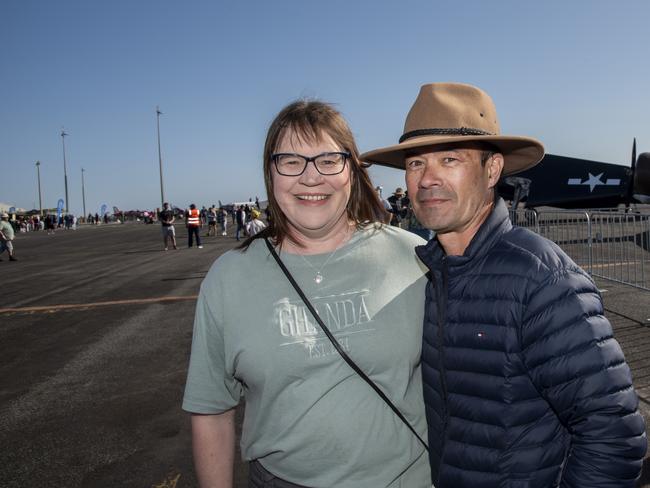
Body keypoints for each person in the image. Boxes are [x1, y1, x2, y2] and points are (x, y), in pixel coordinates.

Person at [360, 82, 647, 487]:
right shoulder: (434, 272)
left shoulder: (543, 280)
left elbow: (613, 434)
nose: (428, 179)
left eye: (450, 159)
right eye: (415, 164)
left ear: (492, 170)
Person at [183, 100, 432, 487]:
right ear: (270, 172)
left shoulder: (413, 257)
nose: (311, 177)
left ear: (352, 169)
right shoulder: (228, 278)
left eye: (328, 160)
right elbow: (211, 411)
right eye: (291, 161)